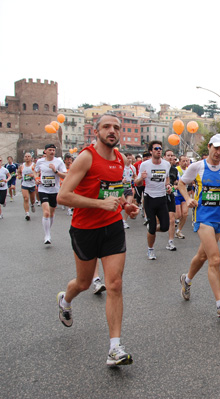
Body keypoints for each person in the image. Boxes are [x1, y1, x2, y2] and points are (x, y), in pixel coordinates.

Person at [56, 113, 139, 366]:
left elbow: (114, 192)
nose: (112, 130)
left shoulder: (121, 159)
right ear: (97, 131)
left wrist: (126, 206)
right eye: (107, 127)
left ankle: (115, 348)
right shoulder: (86, 157)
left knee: (114, 284)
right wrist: (99, 204)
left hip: (113, 227)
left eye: (116, 127)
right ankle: (65, 300)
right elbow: (63, 196)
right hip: (84, 229)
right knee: (82, 283)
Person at [177, 134, 220, 318]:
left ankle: (186, 280)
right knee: (215, 259)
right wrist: (188, 199)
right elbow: (181, 184)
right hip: (202, 218)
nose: (218, 153)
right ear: (209, 147)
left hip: (219, 219)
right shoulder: (198, 167)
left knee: (202, 255)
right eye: (216, 148)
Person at [135, 141, 173, 259]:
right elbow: (137, 183)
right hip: (149, 198)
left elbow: (167, 180)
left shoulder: (166, 164)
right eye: (156, 148)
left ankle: (150, 230)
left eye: (160, 148)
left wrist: (168, 186)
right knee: (152, 227)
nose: (158, 150)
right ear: (151, 151)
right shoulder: (145, 165)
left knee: (165, 227)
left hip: (162, 198)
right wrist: (142, 178)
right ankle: (150, 249)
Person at [35, 144, 67, 244]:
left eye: (53, 150)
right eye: (50, 150)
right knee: (46, 212)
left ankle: (48, 230)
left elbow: (65, 175)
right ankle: (47, 236)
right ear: (45, 151)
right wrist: (36, 179)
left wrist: (55, 171)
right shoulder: (40, 162)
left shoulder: (58, 161)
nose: (52, 152)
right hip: (42, 189)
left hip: (54, 190)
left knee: (52, 213)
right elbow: (36, 172)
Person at [164, 149, 178, 251]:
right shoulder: (160, 167)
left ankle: (170, 242)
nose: (170, 157)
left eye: (171, 155)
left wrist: (174, 187)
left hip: (170, 195)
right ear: (164, 157)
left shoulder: (174, 170)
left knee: (172, 219)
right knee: (159, 222)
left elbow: (175, 182)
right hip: (158, 196)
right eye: (168, 155)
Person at [175, 155, 191, 239]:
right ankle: (171, 219)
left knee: (185, 214)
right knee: (178, 215)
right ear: (179, 162)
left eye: (187, 161)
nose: (185, 163)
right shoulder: (176, 169)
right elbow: (172, 180)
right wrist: (176, 184)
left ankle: (179, 231)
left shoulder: (189, 170)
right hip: (176, 194)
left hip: (184, 195)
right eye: (183, 161)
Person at [17, 152, 37, 220]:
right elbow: (19, 172)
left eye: (28, 156)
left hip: (32, 184)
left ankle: (32, 204)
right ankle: (27, 213)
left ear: (31, 158)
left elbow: (38, 173)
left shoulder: (34, 165)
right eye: (26, 156)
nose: (27, 158)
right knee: (25, 198)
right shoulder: (22, 166)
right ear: (24, 158)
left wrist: (33, 175)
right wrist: (19, 176)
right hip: (24, 184)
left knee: (32, 199)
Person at [121, 153, 137, 229]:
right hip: (121, 188)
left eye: (131, 158)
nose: (130, 160)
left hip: (129, 188)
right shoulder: (121, 167)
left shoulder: (133, 168)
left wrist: (135, 180)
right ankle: (118, 220)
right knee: (121, 206)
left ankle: (124, 221)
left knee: (128, 204)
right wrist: (121, 180)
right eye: (128, 158)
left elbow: (135, 176)